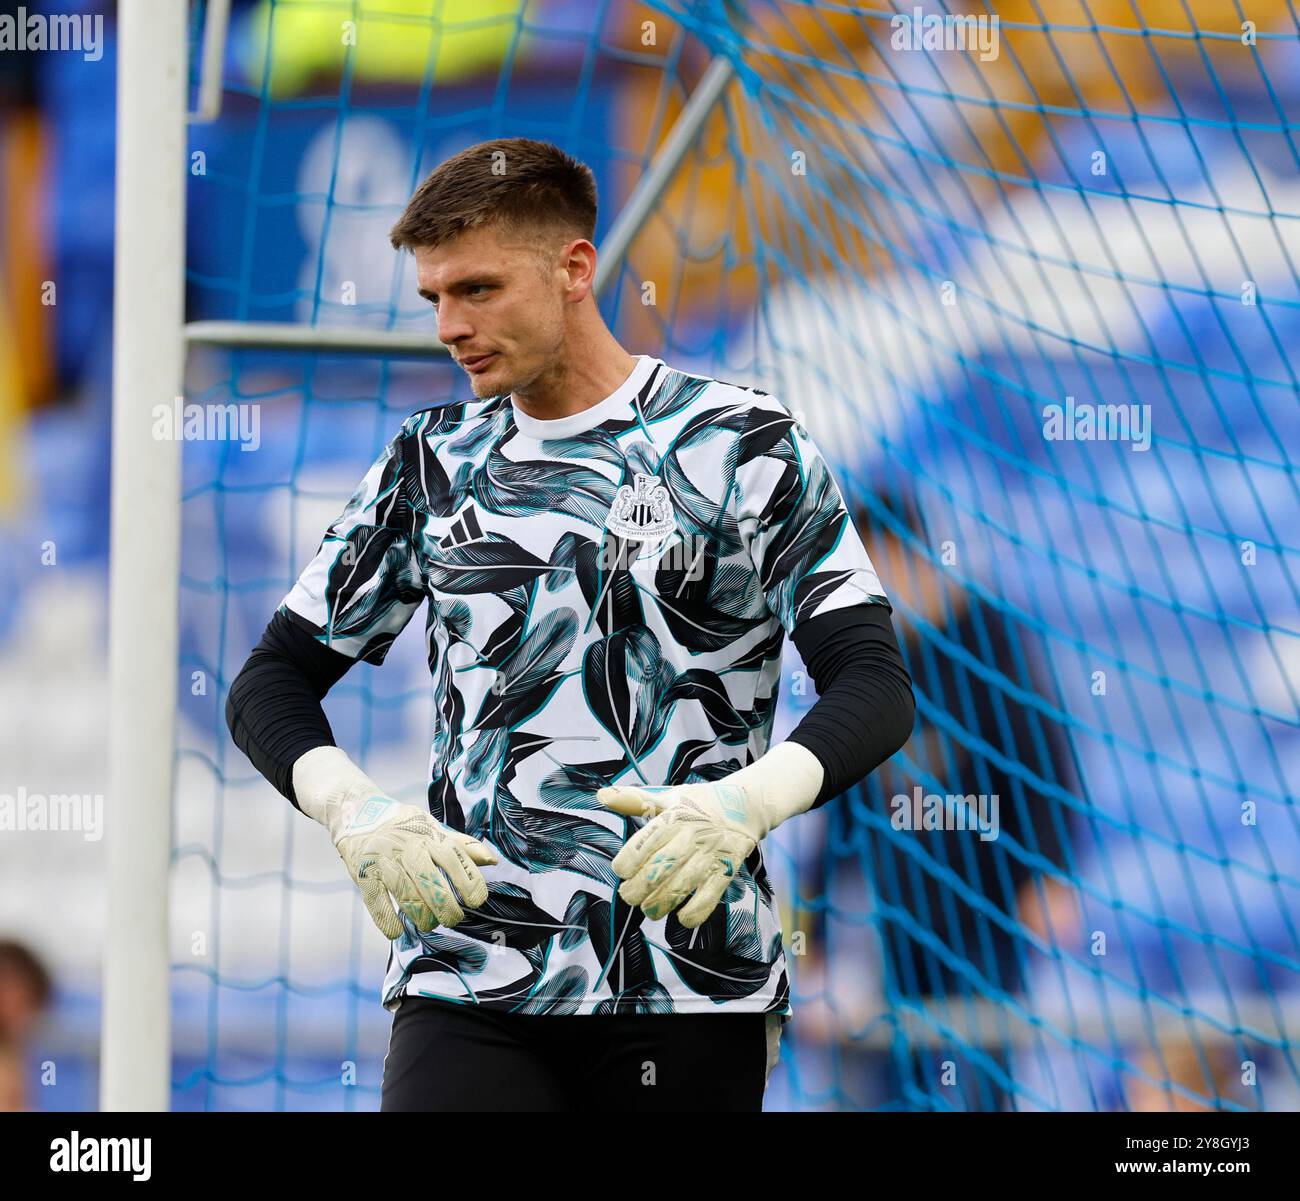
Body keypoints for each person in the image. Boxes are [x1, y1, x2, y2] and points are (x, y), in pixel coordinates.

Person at [226, 137, 914, 1112]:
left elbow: (875, 685)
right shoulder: (430, 463)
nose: (449, 326)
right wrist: (353, 810)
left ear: (574, 268)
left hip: (686, 976)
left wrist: (743, 807)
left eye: (476, 290)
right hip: (470, 969)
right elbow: (269, 681)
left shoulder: (743, 443)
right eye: (433, 299)